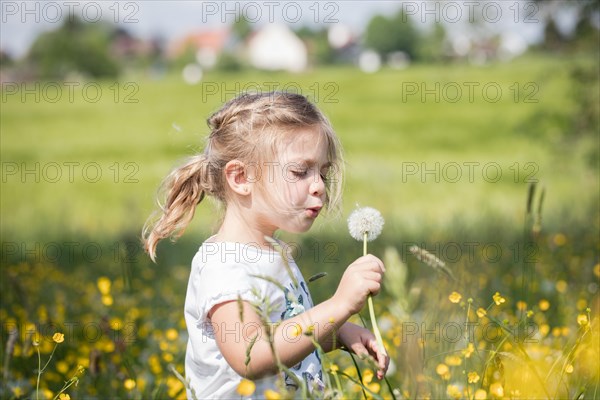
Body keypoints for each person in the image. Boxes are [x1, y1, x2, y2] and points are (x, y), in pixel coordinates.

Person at [143, 92, 388, 398]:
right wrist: (337, 306)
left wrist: (338, 333)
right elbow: (254, 354)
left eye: (323, 173)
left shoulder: (271, 252)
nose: (319, 187)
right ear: (241, 177)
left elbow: (282, 328)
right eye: (300, 172)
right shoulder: (226, 265)